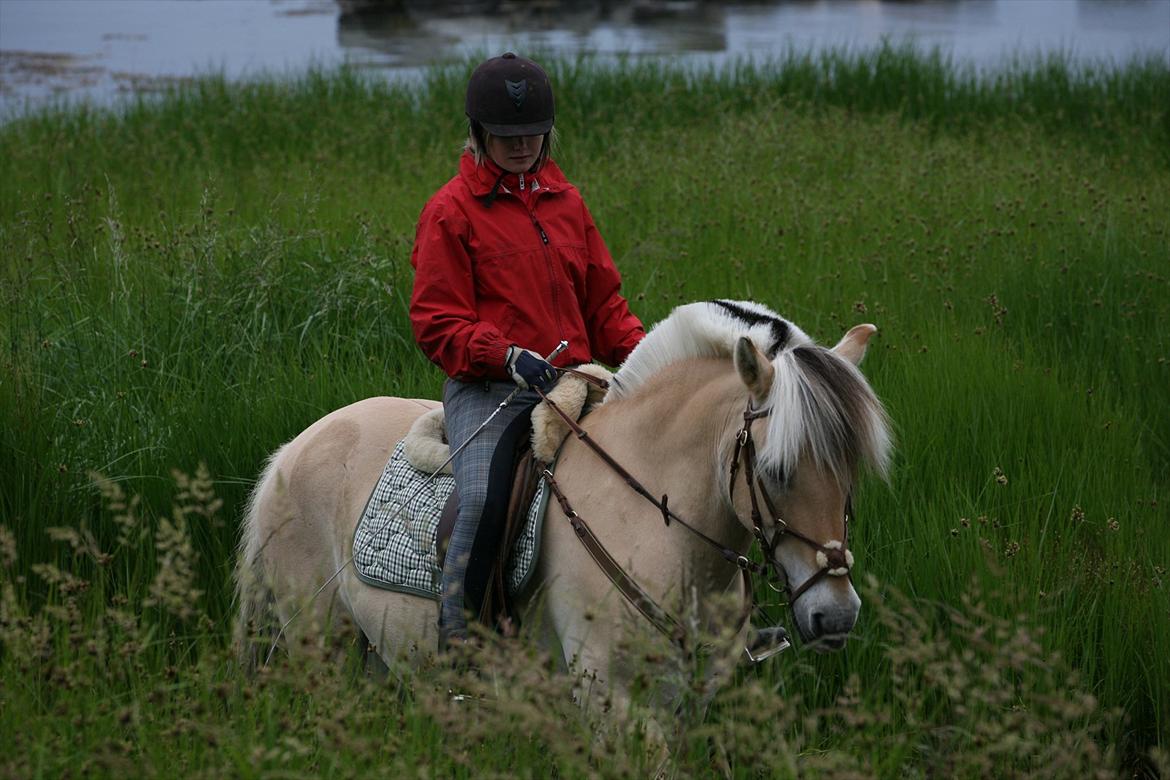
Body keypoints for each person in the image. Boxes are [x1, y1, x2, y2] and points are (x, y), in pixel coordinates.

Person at [409, 53, 645, 647]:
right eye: (506, 135)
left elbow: (604, 307)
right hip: (491, 390)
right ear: (479, 133)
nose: (521, 146)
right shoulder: (449, 212)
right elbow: (436, 321)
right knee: (485, 498)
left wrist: (648, 360)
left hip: (575, 382)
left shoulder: (568, 202)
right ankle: (460, 645)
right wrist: (505, 354)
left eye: (531, 133)